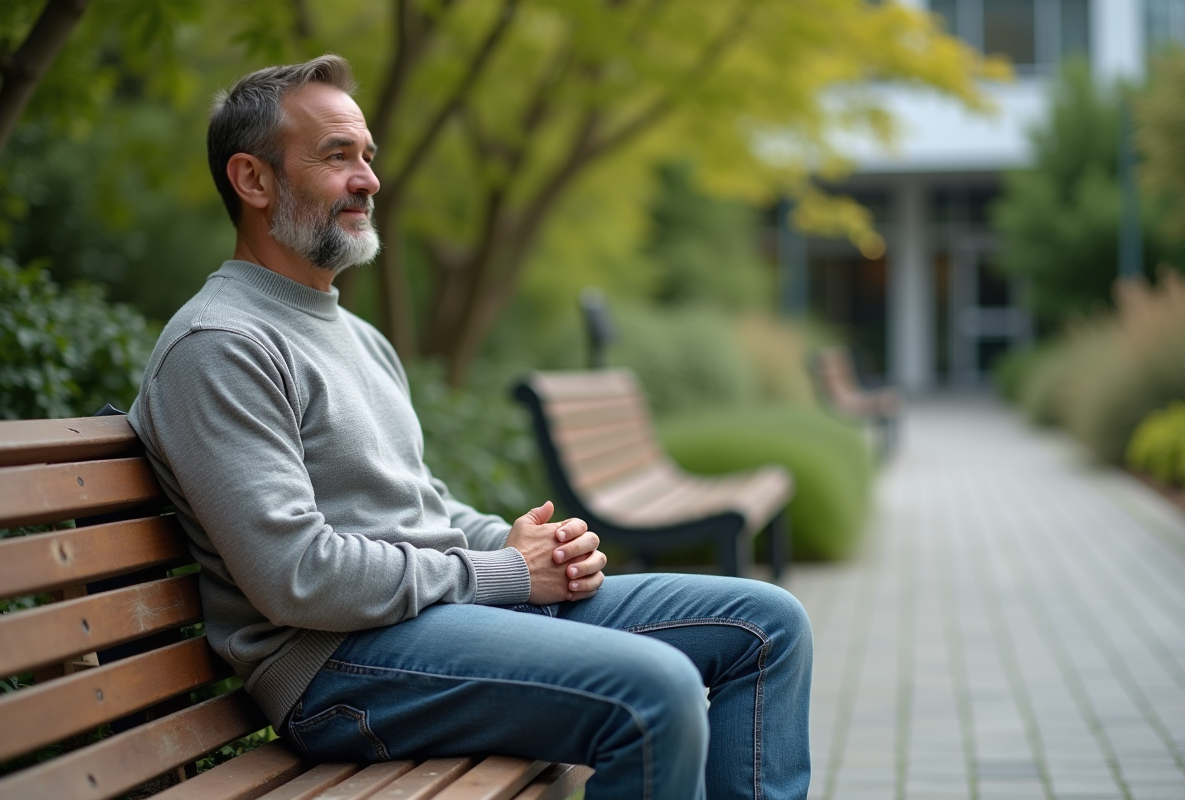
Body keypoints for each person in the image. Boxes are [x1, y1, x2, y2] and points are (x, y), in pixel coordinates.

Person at [128, 54, 813, 800]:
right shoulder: (221, 345)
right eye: (336, 157)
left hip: (428, 627)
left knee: (767, 625)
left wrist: (520, 545)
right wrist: (508, 575)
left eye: (367, 156)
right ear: (253, 181)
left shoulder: (354, 334)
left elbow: (419, 503)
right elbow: (299, 576)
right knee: (655, 693)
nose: (369, 180)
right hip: (336, 671)